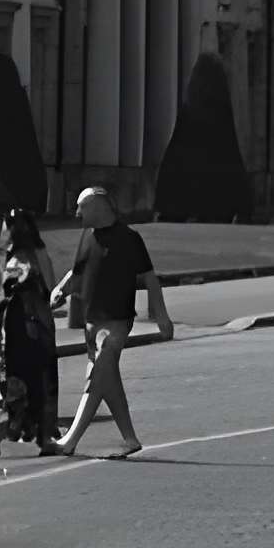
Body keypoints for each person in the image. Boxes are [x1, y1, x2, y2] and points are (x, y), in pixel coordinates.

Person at [49, 186, 173, 457]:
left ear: (99, 208)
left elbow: (150, 278)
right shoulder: (87, 237)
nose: (76, 212)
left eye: (81, 207)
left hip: (117, 322)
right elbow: (78, 272)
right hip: (91, 322)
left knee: (95, 378)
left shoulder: (129, 238)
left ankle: (69, 440)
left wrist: (161, 317)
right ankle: (130, 439)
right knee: (108, 382)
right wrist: (60, 289)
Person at [0, 209, 59, 456]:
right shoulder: (13, 255)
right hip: (15, 328)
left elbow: (48, 288)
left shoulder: (33, 254)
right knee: (8, 382)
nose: (0, 231)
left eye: (3, 226)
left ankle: (44, 439)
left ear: (13, 229)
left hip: (31, 328)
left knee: (32, 383)